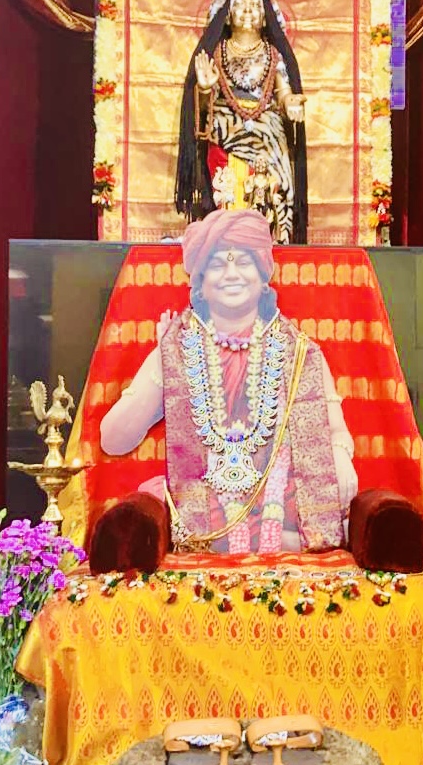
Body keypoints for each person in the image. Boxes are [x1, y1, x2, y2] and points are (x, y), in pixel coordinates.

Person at [100, 209, 355, 554]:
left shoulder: (299, 352)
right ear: (200, 282)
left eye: (244, 263)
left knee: (329, 511)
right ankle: (259, 541)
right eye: (218, 265)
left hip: (282, 499)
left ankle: (271, 539)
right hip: (203, 498)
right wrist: (164, 364)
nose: (232, 274)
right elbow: (113, 440)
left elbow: (336, 432)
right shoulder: (179, 349)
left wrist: (340, 457)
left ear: (263, 276)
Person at [176, 0, 309, 244]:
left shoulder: (274, 55)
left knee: (274, 193)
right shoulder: (217, 54)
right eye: (239, 4)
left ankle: (270, 244)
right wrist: (204, 88)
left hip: (268, 137)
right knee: (230, 195)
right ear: (226, 17)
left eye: (255, 5)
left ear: (265, 18)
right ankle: (229, 242)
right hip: (227, 135)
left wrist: (289, 102)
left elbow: (282, 92)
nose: (247, 10)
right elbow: (203, 113)